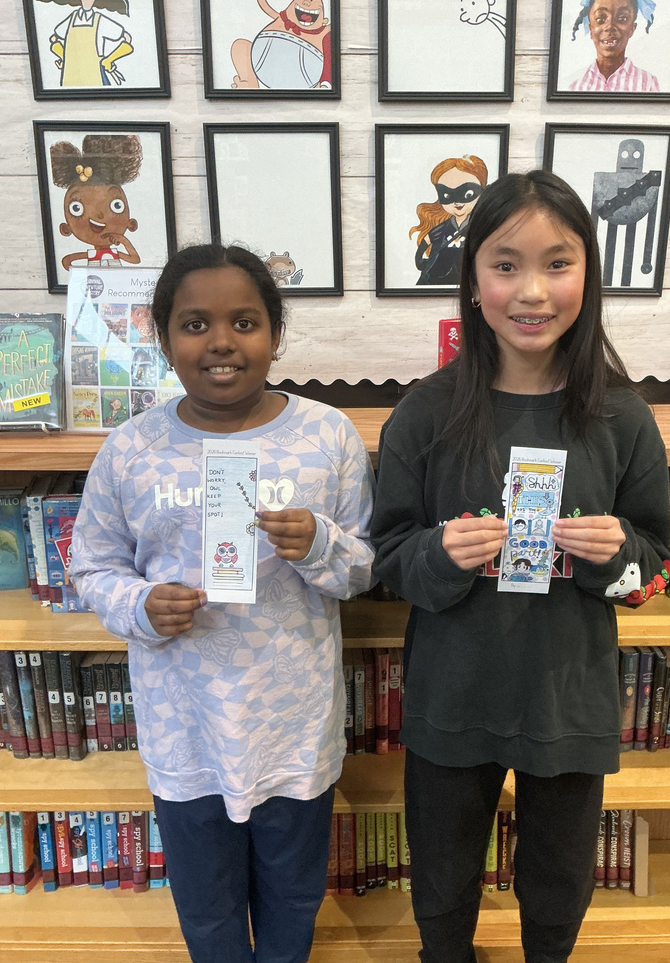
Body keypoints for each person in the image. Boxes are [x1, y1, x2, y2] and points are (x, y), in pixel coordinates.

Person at [371, 171, 670, 963]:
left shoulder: (622, 416)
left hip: (566, 694)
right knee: (440, 872)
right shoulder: (426, 412)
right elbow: (387, 556)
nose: (532, 291)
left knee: (559, 874)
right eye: (506, 265)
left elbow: (654, 569)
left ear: (589, 277)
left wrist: (614, 557)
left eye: (558, 263)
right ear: (472, 281)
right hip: (454, 689)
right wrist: (438, 552)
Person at [69, 244, 376, 963]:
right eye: (195, 323)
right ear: (163, 336)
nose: (221, 342)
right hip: (187, 730)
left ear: (274, 333)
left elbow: (363, 567)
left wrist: (321, 544)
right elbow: (92, 563)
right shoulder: (130, 448)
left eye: (244, 322)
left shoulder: (327, 435)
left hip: (293, 726)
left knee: (293, 898)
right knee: (206, 911)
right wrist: (141, 606)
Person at [49, 133, 142, 272]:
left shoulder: (115, 254)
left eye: (117, 206)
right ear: (65, 228)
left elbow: (135, 259)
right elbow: (67, 261)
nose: (99, 215)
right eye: (77, 208)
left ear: (131, 223)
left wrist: (123, 240)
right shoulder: (92, 255)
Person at [410, 156, 488, 286]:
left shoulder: (480, 229)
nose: (457, 202)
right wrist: (422, 263)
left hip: (468, 283)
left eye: (467, 194)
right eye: (447, 195)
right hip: (434, 281)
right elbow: (422, 249)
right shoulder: (440, 230)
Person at [568, 0, 659, 93]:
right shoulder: (576, 87)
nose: (610, 26)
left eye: (622, 18)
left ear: (632, 28)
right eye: (601, 19)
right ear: (590, 28)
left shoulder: (648, 84)